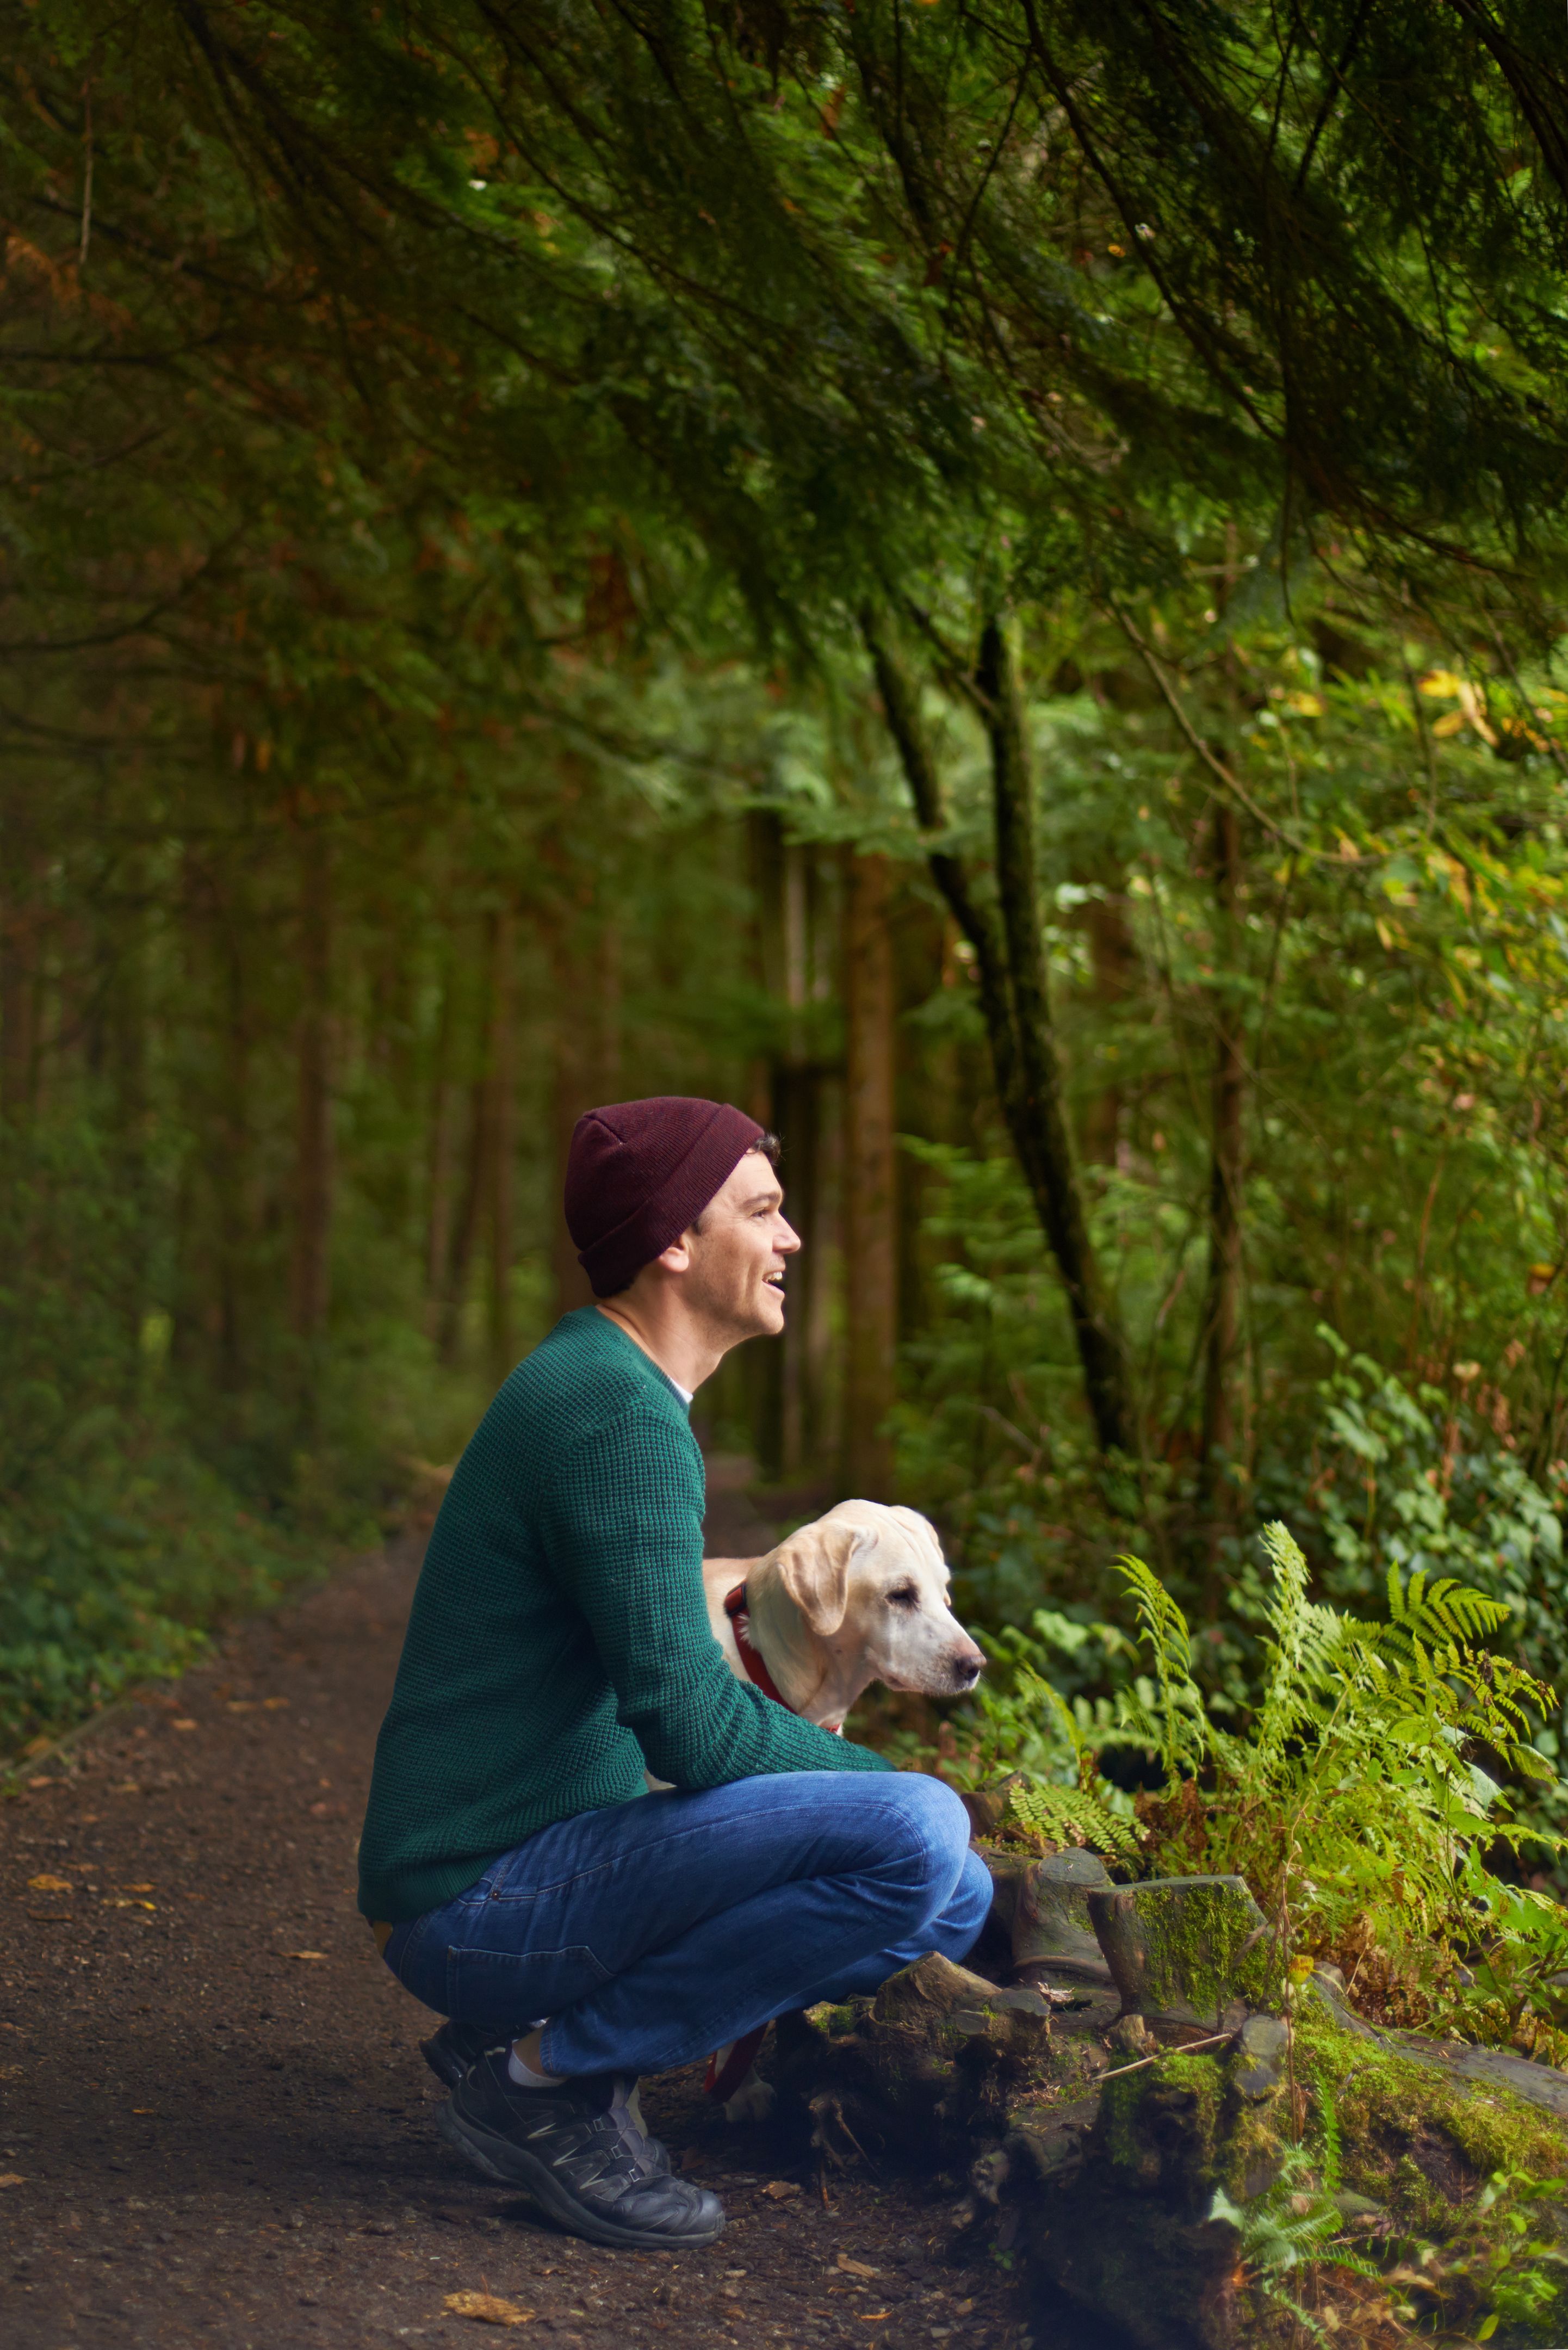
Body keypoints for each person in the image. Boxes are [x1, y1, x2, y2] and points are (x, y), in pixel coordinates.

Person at [358, 1096, 990, 2250]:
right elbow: (691, 1734)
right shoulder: (615, 1418)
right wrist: (893, 1797)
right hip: (474, 1900)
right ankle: (543, 2080)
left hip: (505, 1868)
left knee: (958, 1889)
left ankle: (539, 2044)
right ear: (674, 1243)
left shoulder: (609, 1389)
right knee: (914, 1836)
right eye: (762, 1211)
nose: (790, 1239)